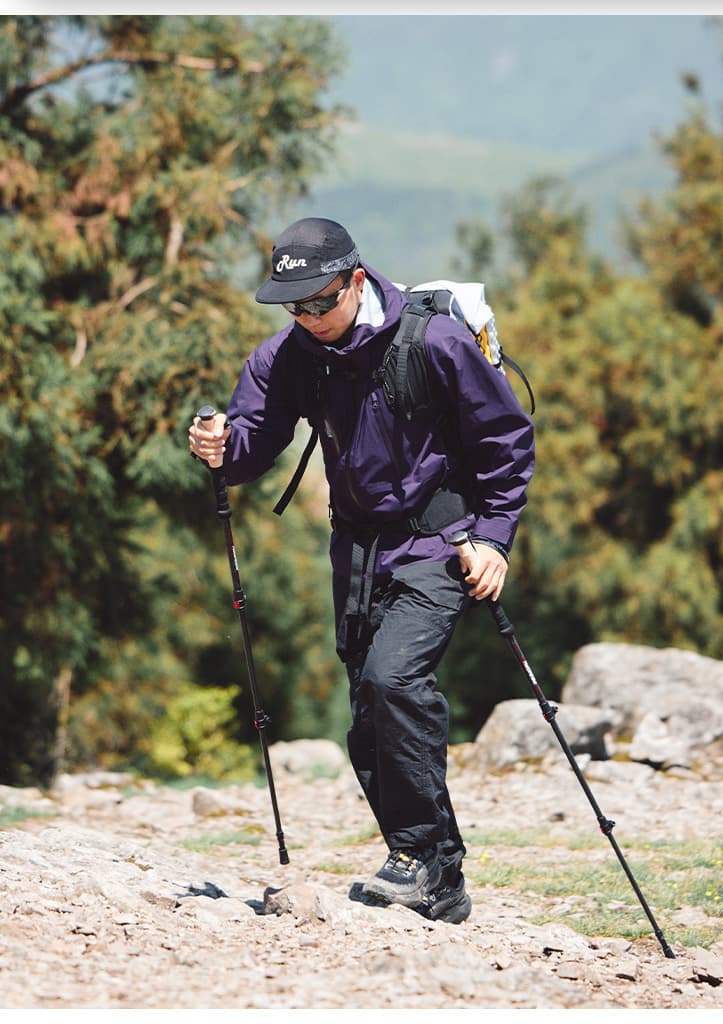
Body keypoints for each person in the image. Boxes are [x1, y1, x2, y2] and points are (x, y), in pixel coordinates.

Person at [189, 217, 535, 924]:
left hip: (445, 542)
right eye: (296, 305)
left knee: (394, 678)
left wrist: (495, 537)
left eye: (322, 301)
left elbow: (505, 438)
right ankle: (435, 871)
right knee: (369, 711)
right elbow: (256, 445)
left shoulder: (433, 341)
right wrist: (221, 444)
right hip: (357, 548)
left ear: (354, 280)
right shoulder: (291, 355)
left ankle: (420, 860)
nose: (310, 317)